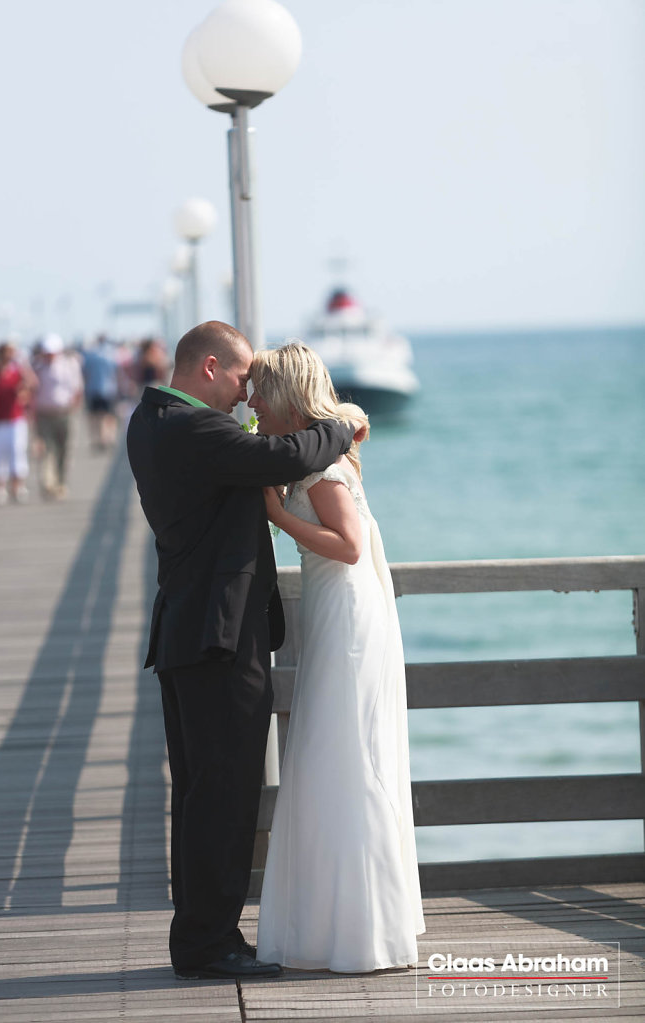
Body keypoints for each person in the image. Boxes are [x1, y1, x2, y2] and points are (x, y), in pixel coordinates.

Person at [126, 321, 358, 981]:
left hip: (189, 632)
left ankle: (204, 935)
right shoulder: (195, 430)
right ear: (207, 367)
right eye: (240, 377)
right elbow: (289, 458)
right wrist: (343, 423)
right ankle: (209, 944)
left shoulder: (154, 422)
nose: (247, 391)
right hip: (217, 638)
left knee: (203, 795)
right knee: (222, 794)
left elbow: (260, 452)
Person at [250, 341, 425, 973]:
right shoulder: (327, 449)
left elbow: (348, 546)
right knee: (333, 751)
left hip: (348, 613)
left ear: (288, 401)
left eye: (260, 396)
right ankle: (339, 921)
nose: (251, 406)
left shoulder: (324, 471)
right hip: (334, 612)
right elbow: (348, 416)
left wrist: (277, 514)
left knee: (342, 752)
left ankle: (355, 927)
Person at [0, 341, 37, 505]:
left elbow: (32, 384)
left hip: (15, 419)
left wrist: (24, 365)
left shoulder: (17, 371)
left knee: (17, 451)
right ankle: (0, 487)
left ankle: (17, 486)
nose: (7, 358)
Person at [33, 333, 83, 500]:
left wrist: (73, 408)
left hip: (65, 413)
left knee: (64, 450)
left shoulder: (69, 365)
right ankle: (48, 483)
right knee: (47, 450)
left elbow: (77, 389)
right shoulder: (37, 367)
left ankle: (61, 482)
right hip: (44, 414)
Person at [81, 334, 119, 450]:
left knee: (95, 416)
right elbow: (116, 372)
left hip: (93, 389)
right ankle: (109, 437)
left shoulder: (90, 355)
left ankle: (98, 438)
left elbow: (84, 372)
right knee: (109, 415)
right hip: (109, 389)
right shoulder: (111, 354)